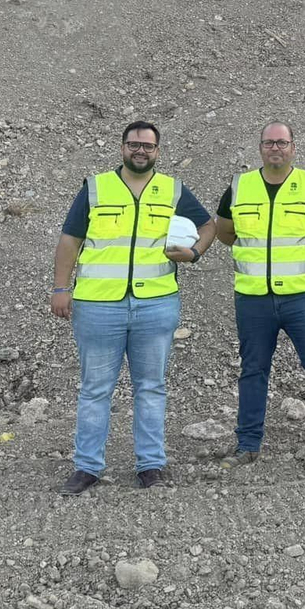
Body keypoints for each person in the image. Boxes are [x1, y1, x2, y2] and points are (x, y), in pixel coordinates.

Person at [50, 120, 214, 494]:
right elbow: (70, 239)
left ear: (158, 151)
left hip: (155, 305)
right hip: (97, 306)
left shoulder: (172, 190)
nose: (140, 151)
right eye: (134, 144)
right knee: (95, 389)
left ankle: (150, 466)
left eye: (148, 146)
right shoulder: (96, 188)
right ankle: (87, 467)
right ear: (122, 147)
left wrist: (194, 253)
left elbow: (209, 226)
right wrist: (60, 287)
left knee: (151, 388)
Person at [214, 121, 305, 475]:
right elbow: (224, 231)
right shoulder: (239, 186)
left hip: (303, 298)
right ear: (260, 148)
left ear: (293, 147)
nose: (275, 148)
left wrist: (299, 258)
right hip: (253, 300)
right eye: (269, 142)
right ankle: (247, 446)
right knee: (252, 371)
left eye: (282, 142)